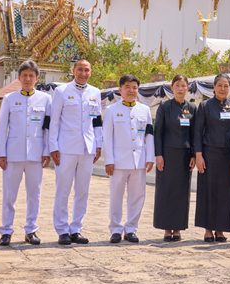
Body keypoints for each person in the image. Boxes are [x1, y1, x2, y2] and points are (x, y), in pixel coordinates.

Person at [0, 60, 51, 246]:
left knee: (34, 194)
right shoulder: (10, 99)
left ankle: (31, 229)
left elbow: (47, 128)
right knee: (9, 195)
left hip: (35, 155)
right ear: (19, 78)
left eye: (31, 75)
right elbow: (2, 127)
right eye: (24, 75)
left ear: (37, 78)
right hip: (13, 154)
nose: (28, 79)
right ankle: (6, 230)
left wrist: (46, 151)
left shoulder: (45, 99)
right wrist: (1, 153)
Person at [48, 59, 103, 245]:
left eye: (86, 70)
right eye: (80, 69)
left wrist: (99, 144)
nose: (83, 73)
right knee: (63, 190)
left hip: (87, 148)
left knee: (82, 191)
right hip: (66, 148)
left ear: (91, 72)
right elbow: (54, 121)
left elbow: (97, 121)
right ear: (73, 70)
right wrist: (53, 146)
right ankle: (62, 229)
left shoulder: (95, 93)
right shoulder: (62, 91)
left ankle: (76, 228)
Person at [103, 74, 155, 244]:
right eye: (128, 87)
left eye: (134, 88)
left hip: (138, 161)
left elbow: (149, 135)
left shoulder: (144, 110)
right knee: (116, 196)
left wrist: (150, 157)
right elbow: (107, 138)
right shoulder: (111, 110)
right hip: (118, 162)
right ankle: (116, 229)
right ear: (120, 90)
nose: (131, 91)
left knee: (137, 196)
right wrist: (109, 160)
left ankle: (131, 228)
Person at [194, 73, 230, 243]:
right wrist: (198, 155)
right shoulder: (205, 106)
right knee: (208, 192)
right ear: (213, 87)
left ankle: (221, 229)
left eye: (226, 86)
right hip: (209, 154)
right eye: (219, 85)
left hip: (228, 155)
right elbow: (198, 132)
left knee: (226, 194)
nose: (222, 89)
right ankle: (208, 229)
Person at [153, 75, 197, 242]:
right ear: (172, 88)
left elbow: (194, 134)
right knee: (166, 191)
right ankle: (166, 227)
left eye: (183, 85)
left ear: (188, 88)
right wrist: (159, 155)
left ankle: (178, 227)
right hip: (167, 155)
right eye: (177, 85)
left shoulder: (192, 108)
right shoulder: (164, 107)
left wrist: (193, 154)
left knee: (181, 193)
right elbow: (158, 133)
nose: (180, 88)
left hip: (185, 157)